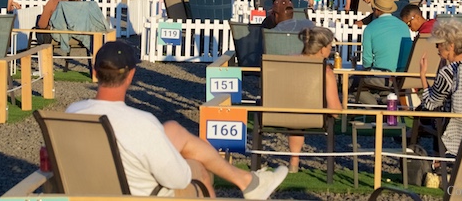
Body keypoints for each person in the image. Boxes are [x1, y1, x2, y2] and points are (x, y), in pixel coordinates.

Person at [65, 41, 287, 198]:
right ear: (131, 75)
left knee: (172, 130)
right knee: (198, 168)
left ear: (95, 73)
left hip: (86, 192)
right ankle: (247, 182)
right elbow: (177, 181)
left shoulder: (72, 114)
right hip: (140, 195)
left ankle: (247, 182)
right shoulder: (142, 122)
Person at [416, 19, 462, 155]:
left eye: (439, 44)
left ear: (451, 46)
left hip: (455, 125)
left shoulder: (448, 72)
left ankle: (437, 161)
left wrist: (423, 75)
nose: (437, 48)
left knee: (428, 117)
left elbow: (430, 103)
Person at [288, 27, 342, 173]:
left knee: (296, 116)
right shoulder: (325, 71)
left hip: (276, 113)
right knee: (301, 116)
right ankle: (294, 162)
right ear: (322, 49)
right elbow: (335, 110)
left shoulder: (286, 62)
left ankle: (294, 160)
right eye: (330, 46)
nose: (330, 50)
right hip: (313, 116)